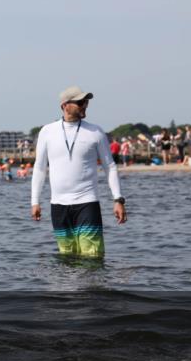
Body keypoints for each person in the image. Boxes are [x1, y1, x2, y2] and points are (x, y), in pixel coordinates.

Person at [31, 86, 126, 258]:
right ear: (65, 105)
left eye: (86, 101)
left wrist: (118, 199)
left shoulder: (96, 132)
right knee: (67, 256)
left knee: (92, 257)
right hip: (58, 206)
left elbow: (110, 166)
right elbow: (39, 168)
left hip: (87, 203)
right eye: (81, 102)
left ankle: (93, 286)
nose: (85, 105)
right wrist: (35, 201)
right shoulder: (47, 131)